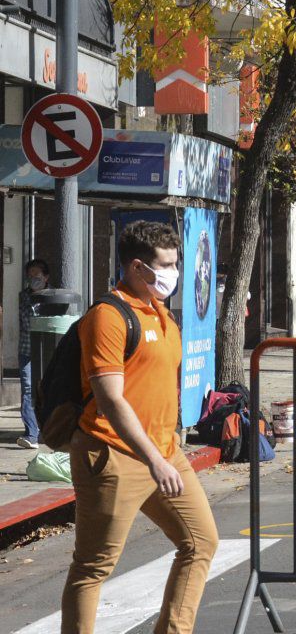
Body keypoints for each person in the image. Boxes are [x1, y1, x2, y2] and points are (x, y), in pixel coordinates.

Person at [63, 220, 218, 632]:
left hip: (165, 452)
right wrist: (154, 459)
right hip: (114, 454)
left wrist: (167, 452)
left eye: (176, 263)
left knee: (201, 542)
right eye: (166, 264)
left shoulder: (161, 312)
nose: (174, 273)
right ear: (137, 267)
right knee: (94, 566)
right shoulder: (108, 316)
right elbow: (111, 398)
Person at [16, 259, 50, 449]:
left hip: (47, 350)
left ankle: (47, 431)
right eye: (30, 276)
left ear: (46, 277)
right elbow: (25, 321)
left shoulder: (52, 297)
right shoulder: (24, 296)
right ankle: (32, 434)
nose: (33, 279)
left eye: (36, 275)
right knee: (28, 389)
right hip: (27, 349)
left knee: (46, 389)